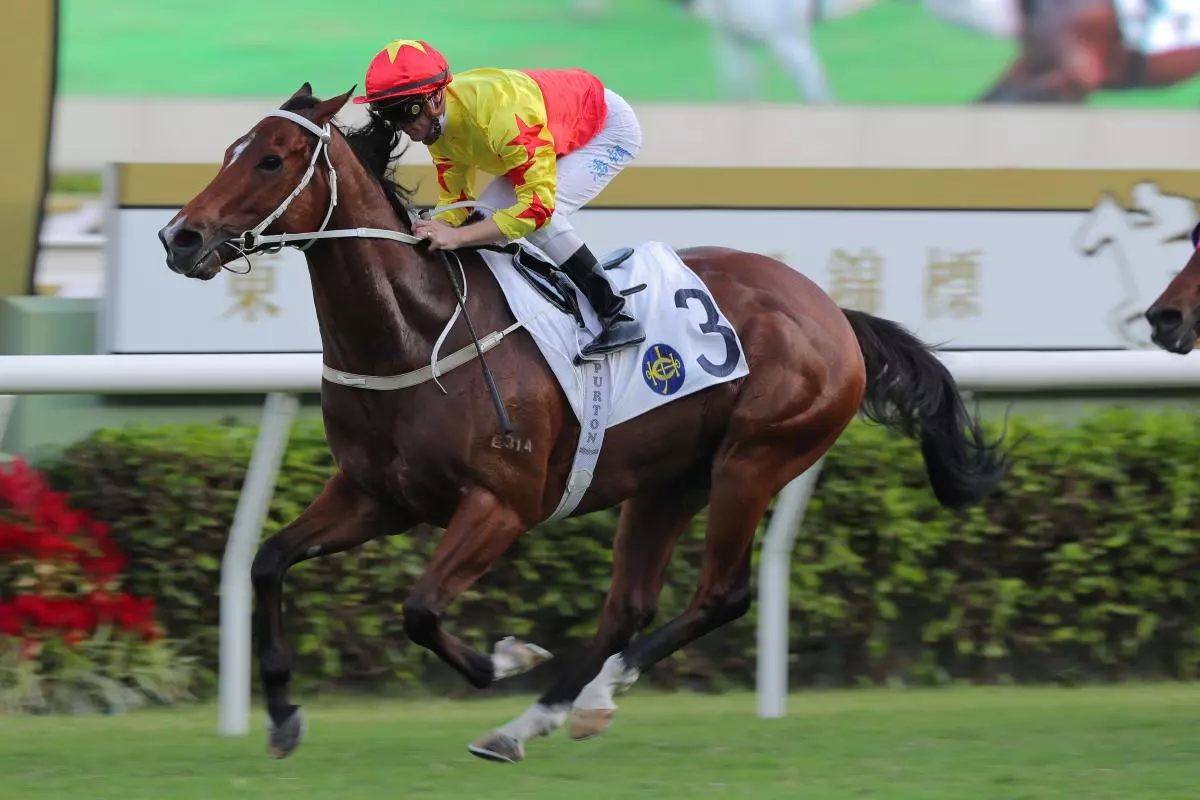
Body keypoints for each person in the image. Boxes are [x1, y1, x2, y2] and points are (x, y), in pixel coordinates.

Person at [352, 39, 646, 359]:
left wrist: (458, 235)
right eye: (388, 115)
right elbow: (457, 199)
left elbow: (537, 210)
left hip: (604, 130)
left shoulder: (501, 117)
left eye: (404, 112)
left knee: (539, 221)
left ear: (436, 98)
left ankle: (617, 314)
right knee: (483, 219)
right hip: (549, 128)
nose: (403, 127)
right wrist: (435, 225)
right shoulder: (435, 125)